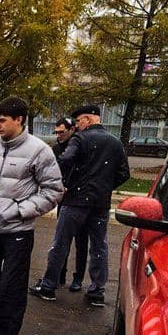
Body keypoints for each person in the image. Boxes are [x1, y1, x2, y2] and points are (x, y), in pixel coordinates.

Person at [0, 96, 63, 335]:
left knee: (10, 290)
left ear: (19, 120)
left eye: (2, 120)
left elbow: (53, 190)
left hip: (18, 233)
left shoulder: (39, 151)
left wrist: (19, 210)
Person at [29, 105, 130, 307]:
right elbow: (124, 173)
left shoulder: (80, 138)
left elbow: (64, 161)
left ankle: (49, 286)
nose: (77, 126)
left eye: (78, 122)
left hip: (76, 199)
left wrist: (62, 183)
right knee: (99, 246)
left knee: (61, 243)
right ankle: (96, 292)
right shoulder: (115, 142)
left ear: (87, 119)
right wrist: (105, 187)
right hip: (100, 203)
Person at [53, 117, 88, 292]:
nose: (58, 135)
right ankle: (59, 274)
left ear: (71, 130)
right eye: (56, 132)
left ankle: (78, 278)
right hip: (65, 197)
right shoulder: (56, 148)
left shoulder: (82, 145)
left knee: (81, 241)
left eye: (61, 132)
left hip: (80, 198)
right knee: (61, 239)